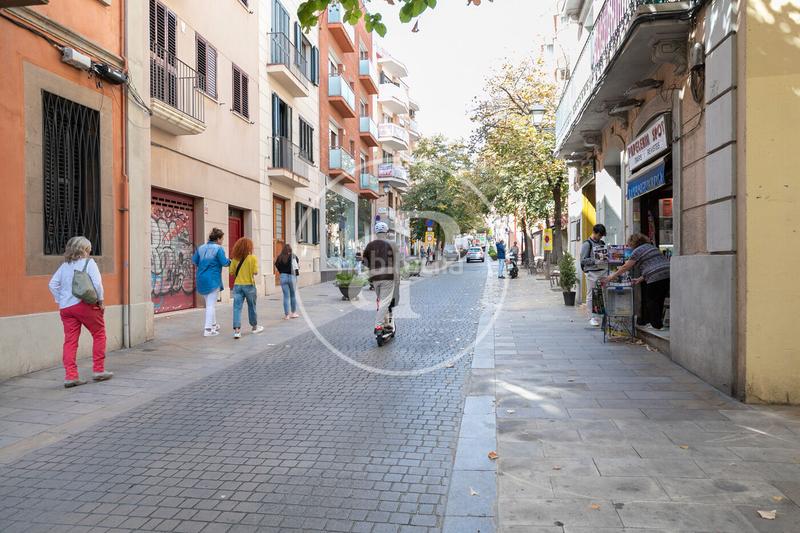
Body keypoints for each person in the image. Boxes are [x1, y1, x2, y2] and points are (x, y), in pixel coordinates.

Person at [48, 236, 113, 388]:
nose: (89, 251)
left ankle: (71, 376)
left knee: (70, 341)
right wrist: (101, 301)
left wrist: (60, 299)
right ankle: (98, 370)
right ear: (85, 250)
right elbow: (97, 284)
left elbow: (52, 284)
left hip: (66, 309)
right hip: (84, 305)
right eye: (88, 249)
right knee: (99, 334)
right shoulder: (89, 263)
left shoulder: (64, 266)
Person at [603, 233, 670, 330]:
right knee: (659, 299)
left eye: (629, 244)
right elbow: (653, 266)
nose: (629, 246)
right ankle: (658, 324)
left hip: (655, 277)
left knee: (651, 300)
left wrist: (611, 277)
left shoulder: (637, 251)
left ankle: (656, 325)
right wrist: (639, 279)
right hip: (667, 274)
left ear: (633, 243)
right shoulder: (651, 247)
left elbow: (626, 266)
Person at [363, 221, 400, 335]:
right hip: (388, 277)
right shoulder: (392, 244)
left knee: (381, 300)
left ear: (376, 232)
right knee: (385, 302)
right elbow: (398, 262)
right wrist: (398, 276)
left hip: (375, 278)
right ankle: (378, 325)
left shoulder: (370, 245)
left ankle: (387, 324)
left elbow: (364, 261)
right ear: (386, 232)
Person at [192, 228, 231, 337]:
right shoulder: (218, 249)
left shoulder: (201, 248)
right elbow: (224, 262)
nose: (222, 241)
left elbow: (194, 261)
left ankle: (213, 325)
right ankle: (208, 330)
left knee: (209, 304)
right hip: (213, 279)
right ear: (218, 239)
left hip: (201, 278)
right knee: (211, 305)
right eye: (222, 239)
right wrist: (231, 261)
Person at [229, 237, 264, 339]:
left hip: (238, 285)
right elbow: (255, 272)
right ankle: (254, 327)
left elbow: (231, 272)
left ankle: (237, 331)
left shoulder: (235, 259)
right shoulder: (253, 258)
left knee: (237, 308)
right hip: (249, 285)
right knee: (252, 306)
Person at [580, 224, 607, 327]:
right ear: (595, 233)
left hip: (602, 271)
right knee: (591, 295)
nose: (600, 237)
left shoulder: (602, 243)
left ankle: (600, 316)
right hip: (592, 272)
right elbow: (583, 260)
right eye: (599, 235)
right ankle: (591, 317)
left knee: (602, 294)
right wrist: (595, 259)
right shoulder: (587, 244)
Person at [274, 243, 300, 320]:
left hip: (283, 277)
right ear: (290, 250)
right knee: (292, 295)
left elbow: (276, 265)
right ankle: (293, 313)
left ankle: (287, 315)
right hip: (292, 277)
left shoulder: (280, 257)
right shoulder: (293, 256)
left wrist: (281, 271)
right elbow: (296, 266)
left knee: (286, 296)